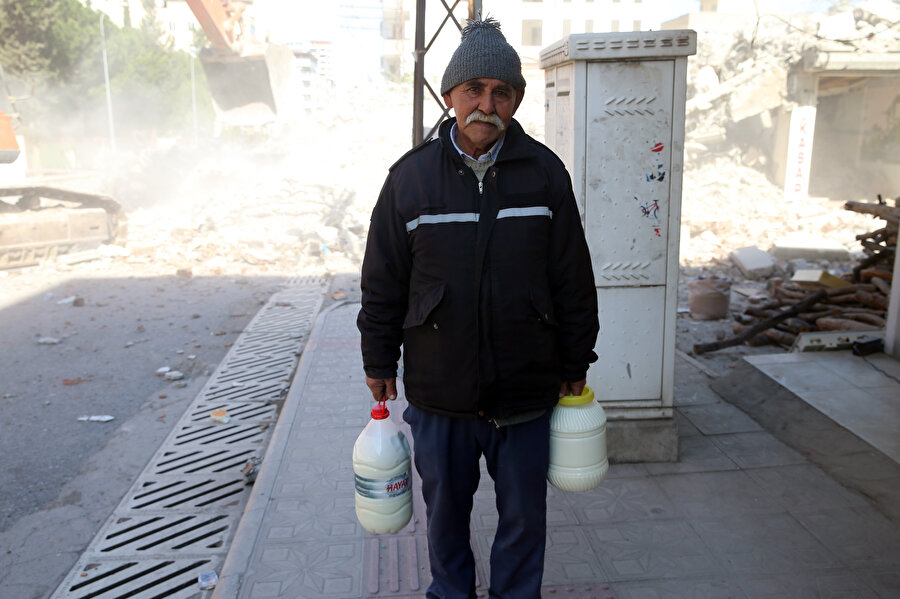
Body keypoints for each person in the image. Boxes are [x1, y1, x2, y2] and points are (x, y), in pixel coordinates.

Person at [357, 17, 599, 599]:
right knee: (444, 517)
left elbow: (572, 277)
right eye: (474, 90)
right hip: (441, 394)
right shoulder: (410, 179)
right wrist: (378, 360)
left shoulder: (544, 174)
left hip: (526, 389)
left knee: (523, 519)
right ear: (450, 96)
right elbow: (383, 282)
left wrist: (576, 361)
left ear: (516, 100)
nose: (486, 105)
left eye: (501, 92)